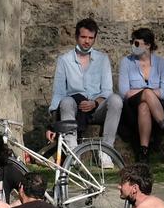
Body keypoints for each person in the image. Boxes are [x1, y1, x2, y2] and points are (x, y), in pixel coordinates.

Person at [47, 18, 122, 166]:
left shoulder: (102, 59)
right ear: (76, 37)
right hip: (75, 107)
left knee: (116, 100)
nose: (87, 41)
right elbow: (59, 92)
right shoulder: (65, 60)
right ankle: (73, 154)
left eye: (90, 38)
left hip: (97, 106)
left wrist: (94, 103)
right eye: (83, 37)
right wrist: (52, 124)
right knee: (66, 101)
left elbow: (107, 91)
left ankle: (106, 151)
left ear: (94, 38)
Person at [118, 27, 164, 162]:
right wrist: (148, 91)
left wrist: (143, 92)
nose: (133, 46)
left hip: (157, 108)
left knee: (144, 105)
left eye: (137, 43)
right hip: (131, 108)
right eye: (132, 42)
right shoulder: (126, 62)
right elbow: (124, 92)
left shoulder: (162, 63)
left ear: (148, 45)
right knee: (146, 94)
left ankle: (143, 152)